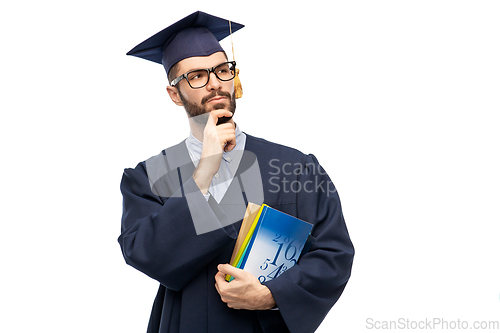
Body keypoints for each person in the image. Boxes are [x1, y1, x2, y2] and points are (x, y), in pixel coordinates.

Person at [118, 11, 354, 333]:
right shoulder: (150, 177)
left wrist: (271, 295)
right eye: (197, 76)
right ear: (175, 94)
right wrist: (204, 172)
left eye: (221, 70)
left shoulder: (294, 167)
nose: (215, 83)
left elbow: (334, 254)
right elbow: (149, 256)